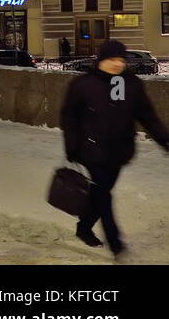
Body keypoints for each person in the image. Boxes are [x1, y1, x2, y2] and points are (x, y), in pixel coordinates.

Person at [61, 39, 169, 257]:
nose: (117, 64)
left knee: (101, 194)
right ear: (100, 60)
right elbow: (69, 117)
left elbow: (147, 116)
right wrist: (71, 147)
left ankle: (83, 228)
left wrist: (165, 140)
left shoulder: (131, 84)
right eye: (111, 59)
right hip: (90, 150)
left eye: (120, 60)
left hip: (119, 152)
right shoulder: (83, 84)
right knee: (105, 196)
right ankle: (116, 245)